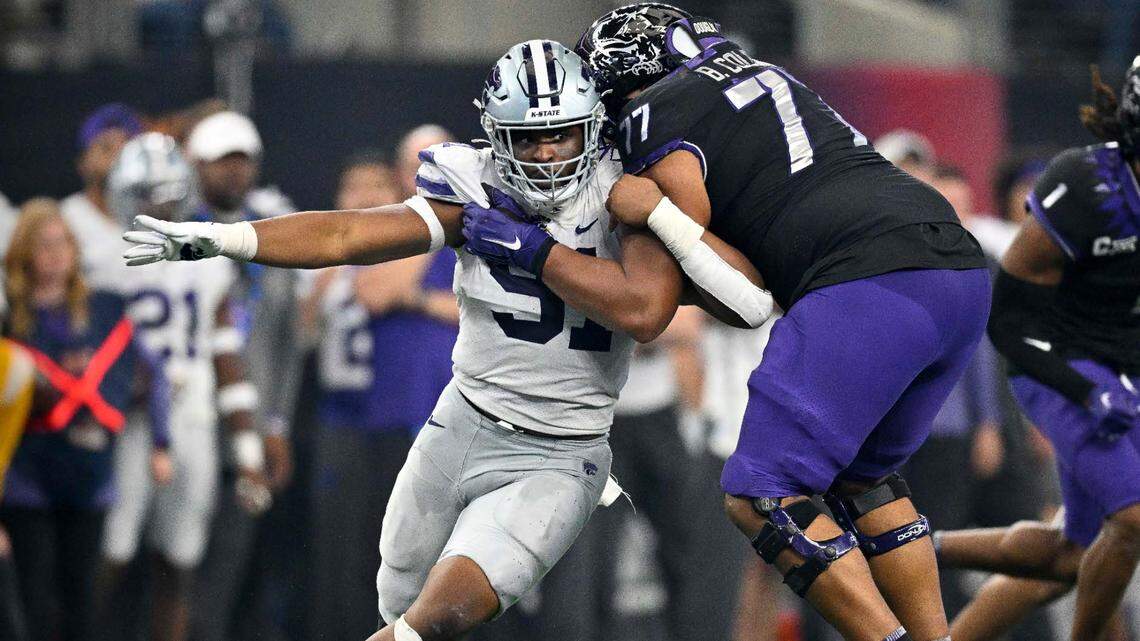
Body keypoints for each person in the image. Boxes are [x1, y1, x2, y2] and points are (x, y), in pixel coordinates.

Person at [121, 39, 771, 641]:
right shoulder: (474, 182)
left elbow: (718, 304)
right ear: (495, 134)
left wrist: (590, 234)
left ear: (593, 127)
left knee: (443, 610)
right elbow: (347, 235)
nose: (545, 153)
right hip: (460, 423)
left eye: (560, 134)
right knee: (398, 587)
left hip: (562, 443)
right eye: (528, 137)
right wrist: (225, 237)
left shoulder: (625, 195)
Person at [577, 5, 990, 641]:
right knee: (865, 482)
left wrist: (654, 212)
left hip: (864, 278)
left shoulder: (652, 117)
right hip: (956, 271)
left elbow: (738, 293)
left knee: (759, 492)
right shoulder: (761, 73)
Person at [932, 58, 1140, 641]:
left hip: (1124, 367)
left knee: (1070, 554)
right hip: (1057, 361)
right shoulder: (1084, 188)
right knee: (1131, 519)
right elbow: (1008, 320)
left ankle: (908, 546)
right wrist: (1084, 388)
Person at [99, 133, 264, 641]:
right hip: (124, 419)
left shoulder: (206, 253)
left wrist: (247, 445)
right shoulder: (101, 255)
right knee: (114, 546)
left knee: (181, 556)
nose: (156, 205)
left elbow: (224, 349)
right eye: (145, 193)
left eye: (166, 193)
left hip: (191, 418)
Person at [1, 198, 171, 641]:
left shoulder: (106, 308)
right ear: (23, 255)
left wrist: (161, 441)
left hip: (89, 470)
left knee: (83, 602)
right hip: (28, 473)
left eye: (63, 244)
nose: (56, 256)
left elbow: (149, 372)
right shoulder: (9, 321)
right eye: (44, 246)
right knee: (35, 602)